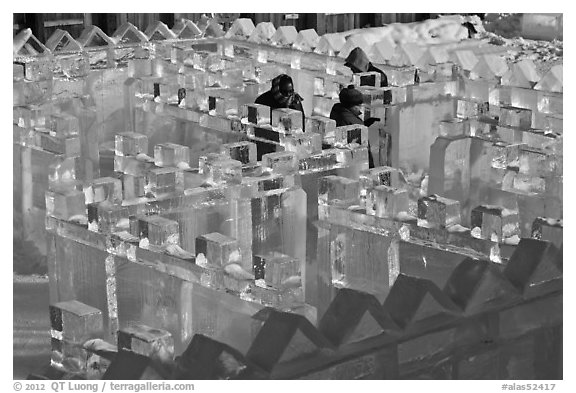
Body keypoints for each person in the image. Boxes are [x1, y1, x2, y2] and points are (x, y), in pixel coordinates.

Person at [330, 85, 380, 168]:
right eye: (358, 106)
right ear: (351, 106)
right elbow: (361, 148)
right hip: (354, 164)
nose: (359, 109)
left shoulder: (337, 110)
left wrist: (364, 124)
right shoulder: (353, 122)